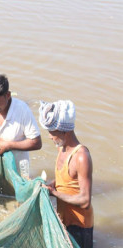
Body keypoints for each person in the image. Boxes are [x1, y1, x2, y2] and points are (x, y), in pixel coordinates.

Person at [39, 100, 93, 248]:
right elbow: (64, 180)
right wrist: (51, 185)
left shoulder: (81, 157)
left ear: (64, 131)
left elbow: (85, 200)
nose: (50, 136)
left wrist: (54, 193)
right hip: (64, 220)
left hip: (80, 226)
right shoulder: (61, 148)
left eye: (52, 132)